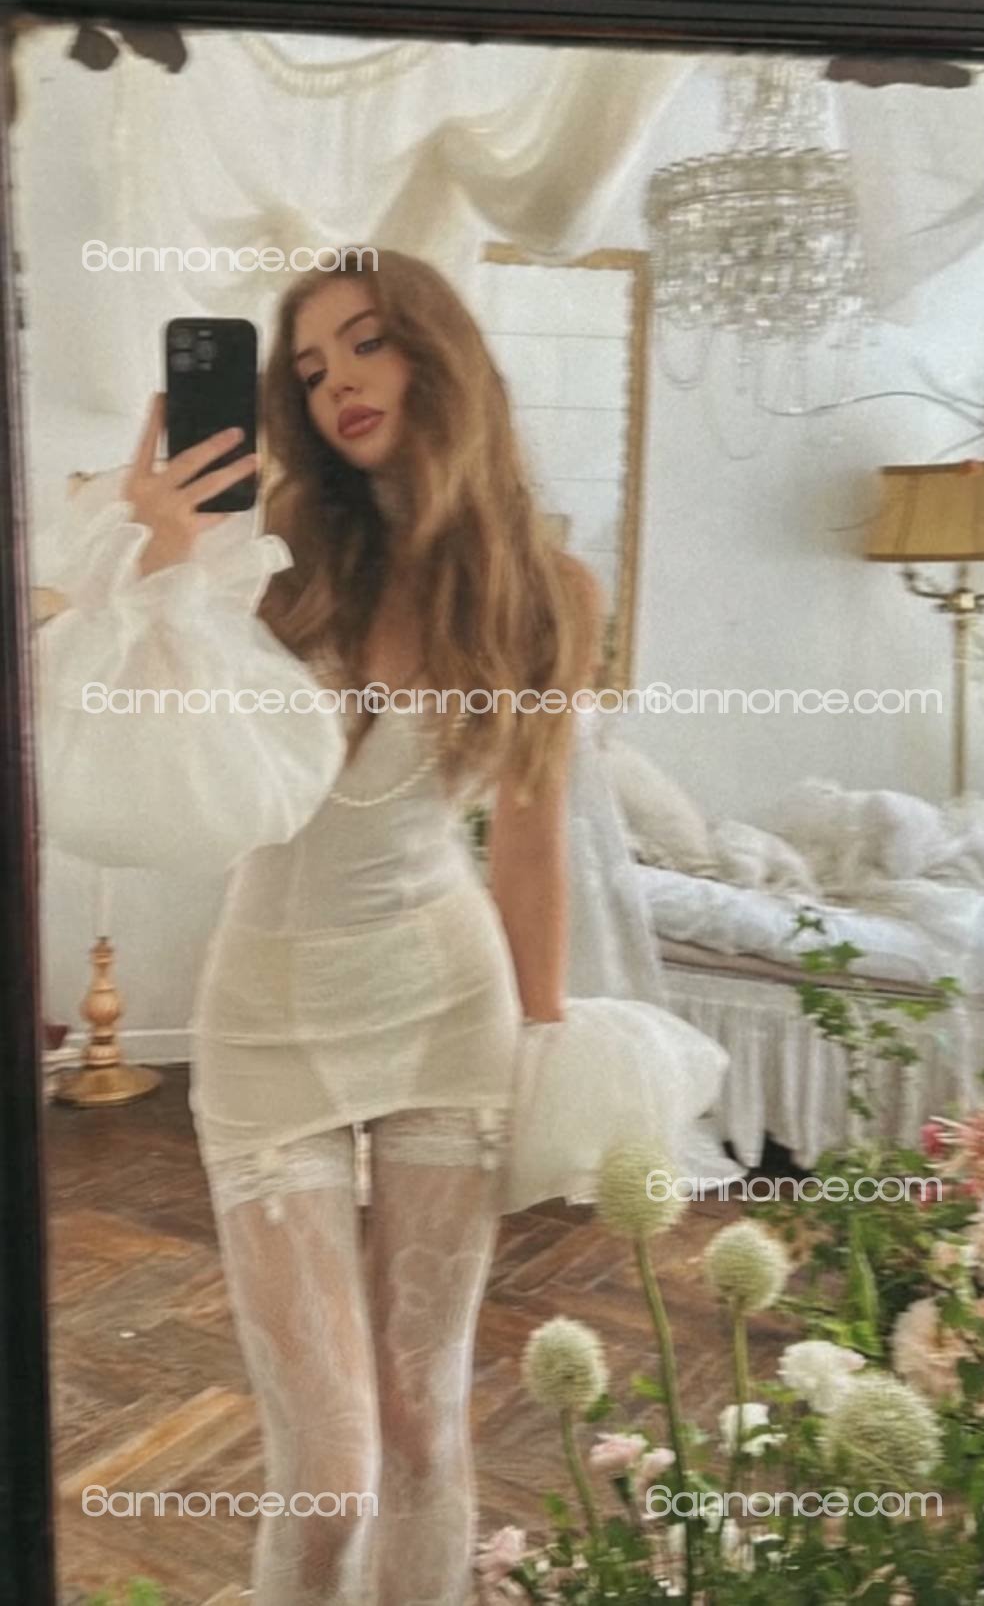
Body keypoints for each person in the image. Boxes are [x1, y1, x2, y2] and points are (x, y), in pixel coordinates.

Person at [36, 250, 734, 1606]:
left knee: (423, 1424)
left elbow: (528, 835)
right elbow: (136, 747)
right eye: (309, 369)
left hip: (446, 1010)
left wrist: (545, 1037)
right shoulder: (269, 559)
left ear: (439, 351)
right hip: (268, 1017)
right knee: (334, 1464)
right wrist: (155, 562)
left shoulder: (548, 591)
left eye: (366, 343)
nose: (338, 383)